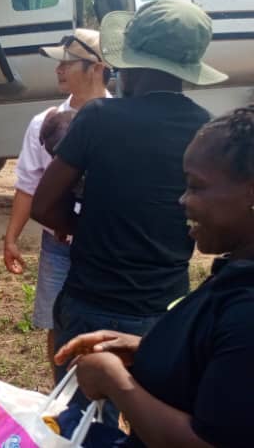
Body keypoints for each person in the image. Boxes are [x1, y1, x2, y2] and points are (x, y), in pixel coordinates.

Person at [32, 0, 227, 423]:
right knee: (149, 422)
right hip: (168, 307)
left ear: (132, 64)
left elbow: (44, 204)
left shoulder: (100, 117)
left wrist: (86, 229)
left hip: (92, 298)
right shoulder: (207, 129)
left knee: (74, 420)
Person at [53, 105, 254, 448]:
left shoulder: (247, 309)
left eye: (196, 187)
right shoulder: (237, 274)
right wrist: (143, 349)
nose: (183, 200)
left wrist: (113, 380)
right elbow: (221, 364)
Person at [1, 29, 110, 370]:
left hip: (107, 243)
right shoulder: (44, 122)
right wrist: (11, 237)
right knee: (57, 322)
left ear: (97, 67)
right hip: (58, 246)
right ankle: (61, 396)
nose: (59, 70)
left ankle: (103, 402)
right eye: (57, 63)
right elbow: (27, 184)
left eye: (67, 63)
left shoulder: (120, 118)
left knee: (105, 323)